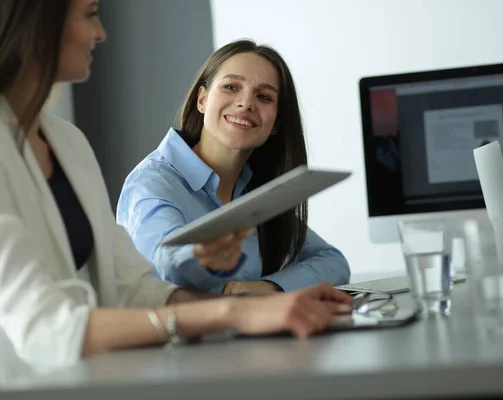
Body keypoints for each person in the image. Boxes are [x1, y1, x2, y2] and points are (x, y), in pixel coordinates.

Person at [0, 0, 353, 368]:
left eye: (264, 97)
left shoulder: (68, 142)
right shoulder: (152, 182)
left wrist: (259, 304)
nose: (101, 33)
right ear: (40, 22)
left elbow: (134, 287)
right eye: (91, 14)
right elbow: (47, 330)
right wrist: (235, 312)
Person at [116, 40, 351, 296]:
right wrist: (203, 259)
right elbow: (164, 264)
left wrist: (265, 288)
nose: (246, 103)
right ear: (203, 100)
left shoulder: (252, 189)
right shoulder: (152, 183)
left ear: (275, 125)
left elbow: (333, 262)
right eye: (231, 87)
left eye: (263, 96)